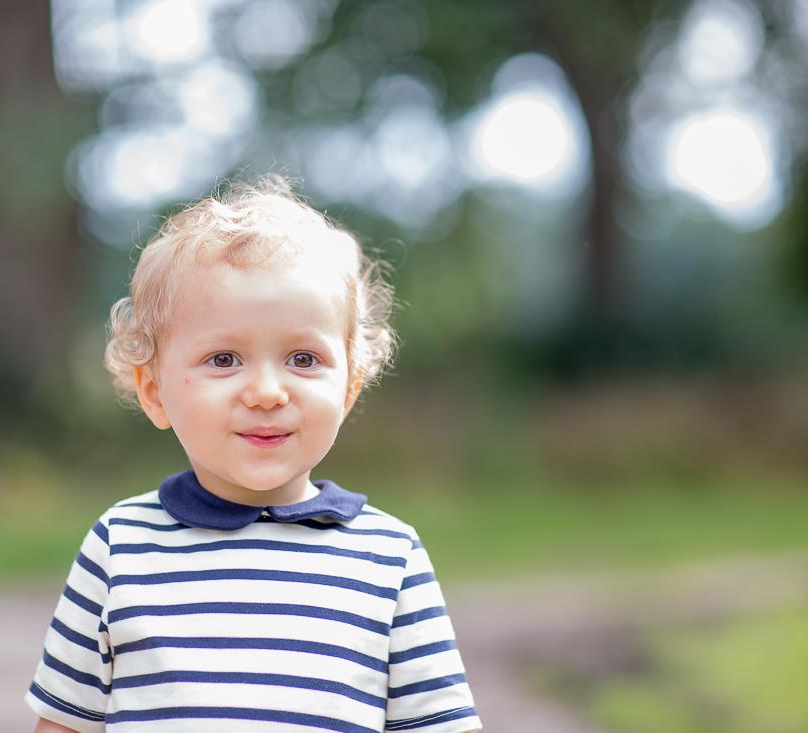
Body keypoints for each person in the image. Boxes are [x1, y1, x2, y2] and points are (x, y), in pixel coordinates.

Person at [26, 176, 482, 733]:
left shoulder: (389, 558)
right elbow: (66, 723)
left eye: (303, 358)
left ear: (350, 388)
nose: (267, 392)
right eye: (223, 359)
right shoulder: (121, 546)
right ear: (154, 392)